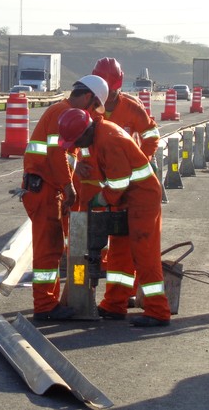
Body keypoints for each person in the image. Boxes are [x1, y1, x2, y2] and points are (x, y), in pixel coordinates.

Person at [58, 108, 171, 327]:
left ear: (84, 133)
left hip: (141, 198)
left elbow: (119, 182)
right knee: (120, 253)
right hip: (126, 199)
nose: (76, 146)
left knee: (143, 253)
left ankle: (158, 310)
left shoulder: (109, 139)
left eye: (75, 141)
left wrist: (102, 198)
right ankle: (114, 304)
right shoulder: (96, 137)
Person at [75, 58, 161, 320]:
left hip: (125, 191)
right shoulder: (88, 113)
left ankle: (145, 307)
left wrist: (138, 164)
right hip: (101, 188)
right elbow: (79, 141)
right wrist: (78, 166)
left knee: (135, 250)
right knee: (98, 249)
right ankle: (102, 301)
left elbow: (149, 138)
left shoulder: (125, 114)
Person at [20, 75, 108, 321]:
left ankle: (49, 302)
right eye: (93, 108)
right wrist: (69, 186)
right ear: (88, 97)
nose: (91, 116)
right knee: (48, 249)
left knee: (54, 247)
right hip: (45, 189)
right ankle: (45, 305)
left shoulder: (65, 113)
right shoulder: (62, 113)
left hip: (48, 188)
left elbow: (66, 153)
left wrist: (75, 168)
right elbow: (56, 154)